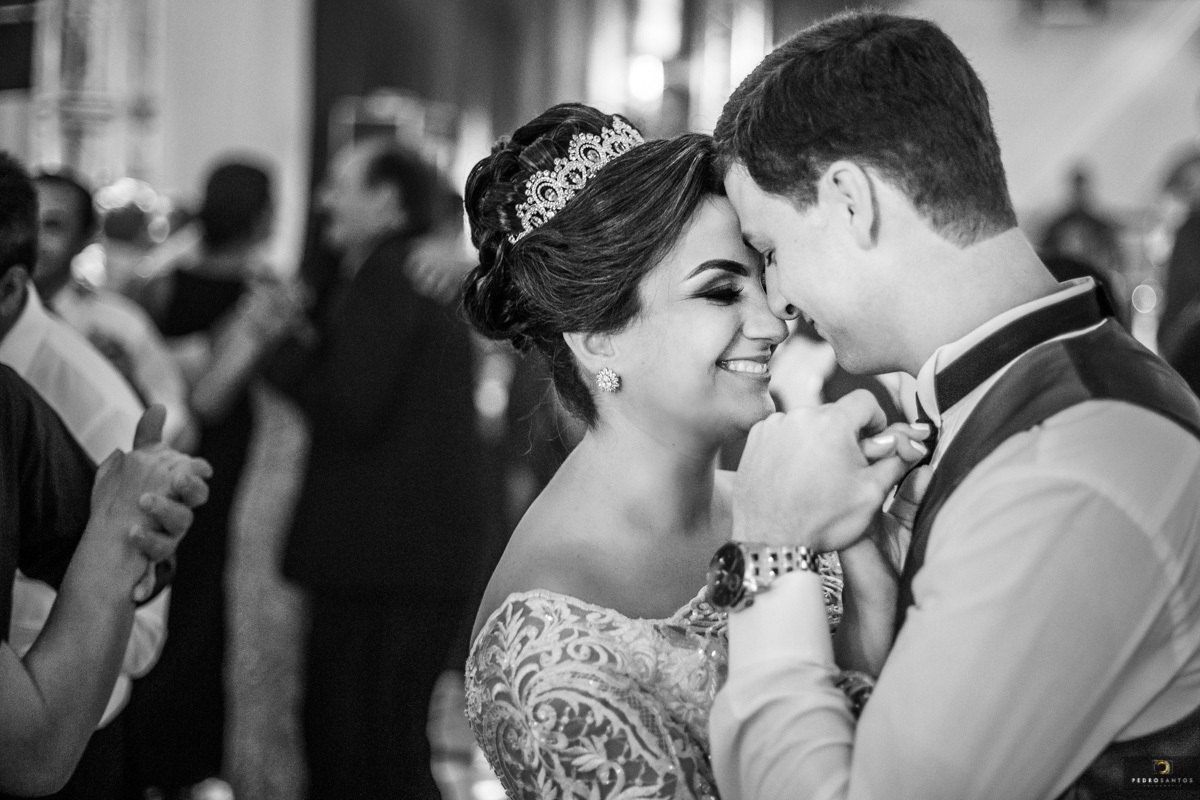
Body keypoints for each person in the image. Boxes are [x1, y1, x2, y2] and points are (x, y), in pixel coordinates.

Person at [707, 10, 1200, 800]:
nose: (781, 300)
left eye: (770, 251)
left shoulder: (1067, 470)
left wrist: (770, 545)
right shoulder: (1017, 402)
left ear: (850, 201)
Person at [460, 104, 927, 799]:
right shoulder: (549, 639)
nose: (773, 323)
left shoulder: (783, 504)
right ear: (598, 338)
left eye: (763, 281)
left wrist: (873, 602)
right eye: (720, 291)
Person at [268, 138, 486, 800]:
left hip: (383, 562)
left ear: (388, 202)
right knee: (379, 741)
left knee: (360, 746)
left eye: (340, 186)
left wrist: (280, 352)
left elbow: (350, 404)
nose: (323, 201)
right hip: (401, 558)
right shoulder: (395, 270)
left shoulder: (391, 274)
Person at [125, 159, 300, 798]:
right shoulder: (264, 296)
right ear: (263, 217)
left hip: (158, 461)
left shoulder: (158, 287)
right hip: (226, 471)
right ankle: (187, 766)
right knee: (205, 615)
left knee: (162, 598)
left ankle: (147, 761)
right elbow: (212, 398)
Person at [0, 153, 170, 800]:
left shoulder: (89, 401)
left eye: (58, 224)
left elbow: (142, 622)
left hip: (69, 741)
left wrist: (32, 674)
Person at [31, 168, 195, 450]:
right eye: (21, 222)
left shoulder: (120, 325)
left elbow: (175, 421)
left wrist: (123, 386)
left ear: (86, 238)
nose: (32, 239)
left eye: (53, 226)